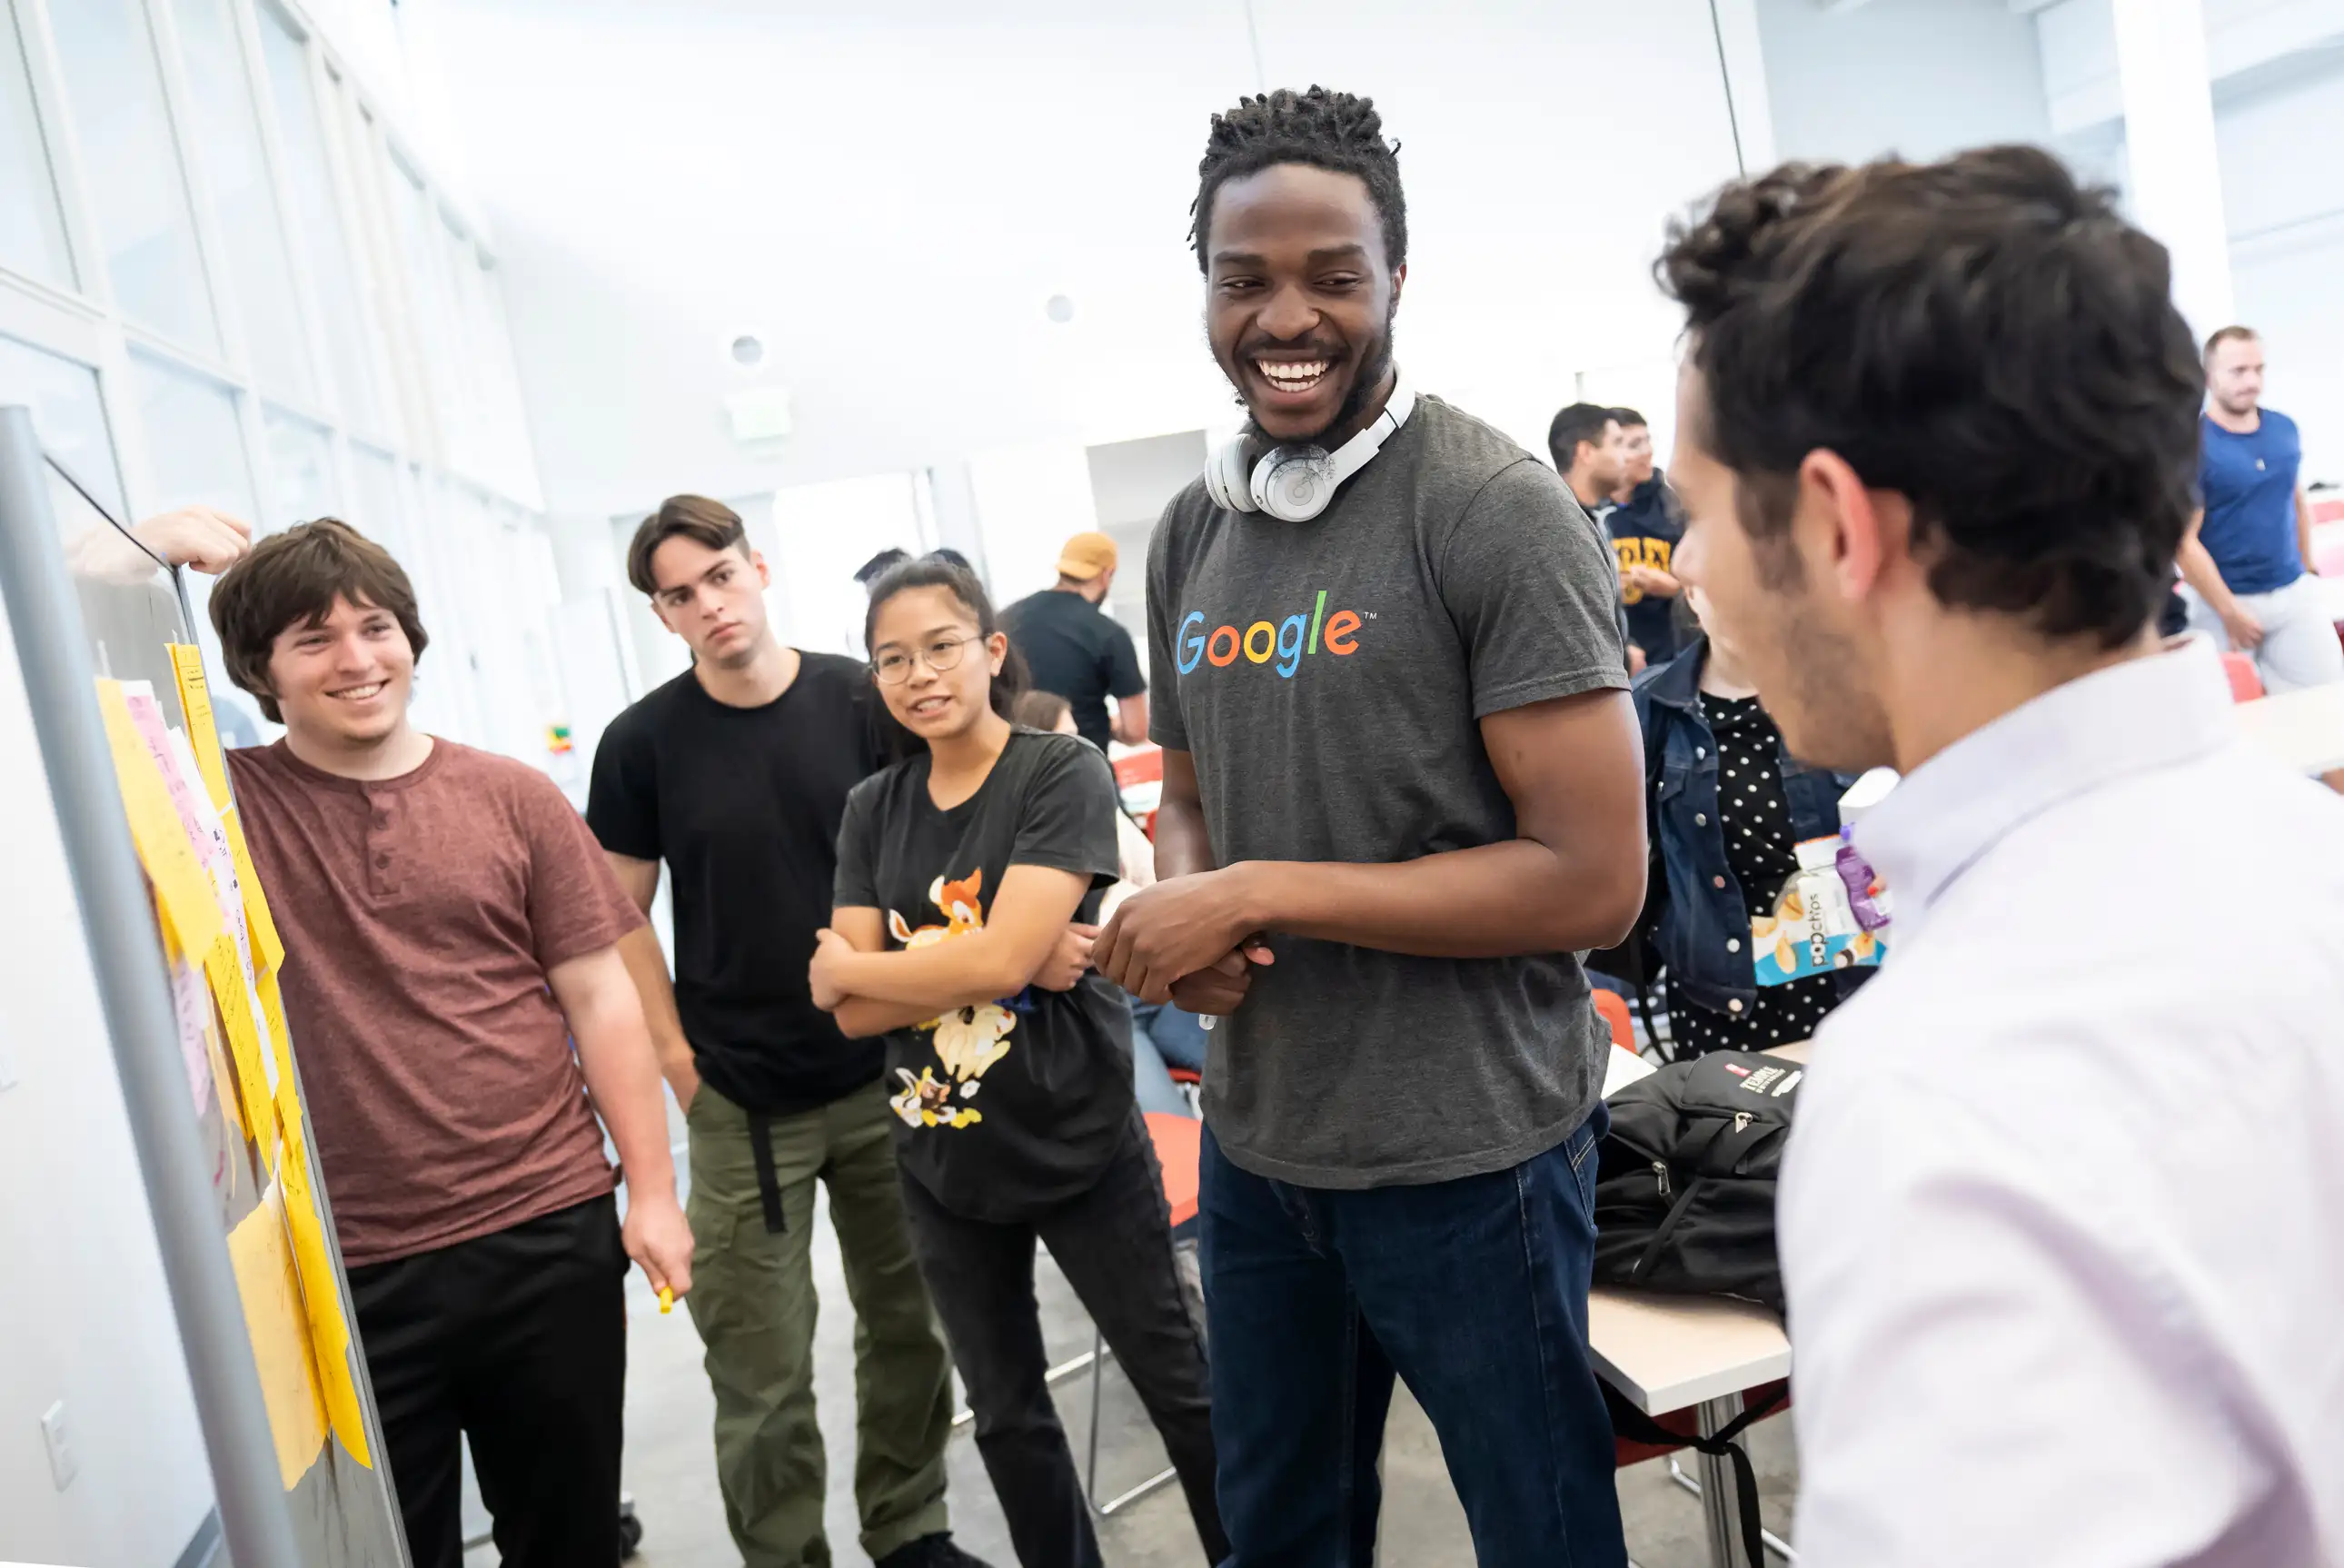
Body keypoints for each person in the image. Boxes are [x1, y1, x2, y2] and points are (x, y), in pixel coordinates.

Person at [1658, 145, 2344, 1564]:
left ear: (1841, 525)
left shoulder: (1942, 1095)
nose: (1692, 569)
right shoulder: (2307, 855)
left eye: (1705, 509)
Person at [1097, 86, 1643, 1567]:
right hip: (1270, 1147)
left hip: (1471, 1159)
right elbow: (1192, 792)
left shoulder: (1490, 511)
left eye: (1333, 275)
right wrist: (1196, 902)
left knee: (1542, 1535)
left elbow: (1593, 879)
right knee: (1281, 1538)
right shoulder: (1196, 533)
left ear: (1398, 276)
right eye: (1245, 278)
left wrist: (1263, 890)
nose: (1288, 315)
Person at [182, 516, 692, 1568]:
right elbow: (66, 733)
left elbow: (602, 1001)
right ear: (261, 671)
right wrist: (131, 554)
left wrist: (651, 1191)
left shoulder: (513, 797)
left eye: (375, 627)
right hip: (349, 1261)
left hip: (546, 1229)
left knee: (570, 1540)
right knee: (394, 1552)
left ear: (411, 638)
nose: (358, 660)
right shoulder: (229, 807)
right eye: (312, 640)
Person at [585, 497, 989, 1568]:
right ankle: (786, 1555)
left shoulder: (863, 702)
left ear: (757, 568)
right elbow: (613, 920)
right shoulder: (641, 746)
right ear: (662, 614)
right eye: (680, 593)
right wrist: (674, 1057)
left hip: (892, 1072)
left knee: (911, 1327)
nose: (709, 603)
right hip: (739, 1101)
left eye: (720, 574)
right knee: (758, 1370)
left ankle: (910, 1529)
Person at [815, 559, 1226, 1568]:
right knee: (1004, 1411)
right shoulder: (873, 806)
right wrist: (992, 957)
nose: (919, 674)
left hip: (1077, 1133)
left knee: (1181, 1382)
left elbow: (885, 971)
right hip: (939, 1156)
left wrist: (879, 962)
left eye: (941, 646)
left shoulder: (1056, 770)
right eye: (892, 659)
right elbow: (853, 1013)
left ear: (992, 652)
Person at [1629, 586, 1867, 1055]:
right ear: (1693, 592)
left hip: (1848, 981)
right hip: (1720, 999)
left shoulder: (1841, 690)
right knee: (1735, 1125)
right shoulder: (1652, 707)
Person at [1010, 688, 1207, 1118]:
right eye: (1064, 740)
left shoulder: (1094, 803)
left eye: (1080, 738)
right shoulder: (1013, 831)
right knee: (1166, 1125)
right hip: (1101, 995)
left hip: (1163, 974)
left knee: (1245, 1080)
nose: (1081, 752)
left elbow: (1154, 875)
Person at [2177, 325, 2341, 693]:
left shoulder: (2284, 430)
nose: (2251, 381)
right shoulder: (2194, 445)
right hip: (2223, 601)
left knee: (2331, 704)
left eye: (2258, 369)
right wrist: (2229, 612)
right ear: (2209, 376)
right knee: (2231, 721)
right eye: (2238, 371)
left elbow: (2295, 501)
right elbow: (2183, 542)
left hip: (2291, 593)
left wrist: (2308, 568)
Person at [999, 531, 1147, 751]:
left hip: (1016, 766)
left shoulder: (1007, 618)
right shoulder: (1109, 633)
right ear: (1107, 574)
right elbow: (1136, 730)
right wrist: (1109, 727)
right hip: (1082, 769)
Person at [1548, 400, 1642, 672]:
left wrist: (1626, 645)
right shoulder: (1559, 527)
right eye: (1616, 443)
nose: (1625, 456)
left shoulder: (1597, 516)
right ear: (1586, 452)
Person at [1605, 406, 1689, 667]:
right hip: (1618, 661)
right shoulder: (1595, 513)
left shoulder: (1674, 505)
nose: (1648, 451)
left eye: (1647, 440)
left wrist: (1674, 589)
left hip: (1672, 656)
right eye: (1634, 444)